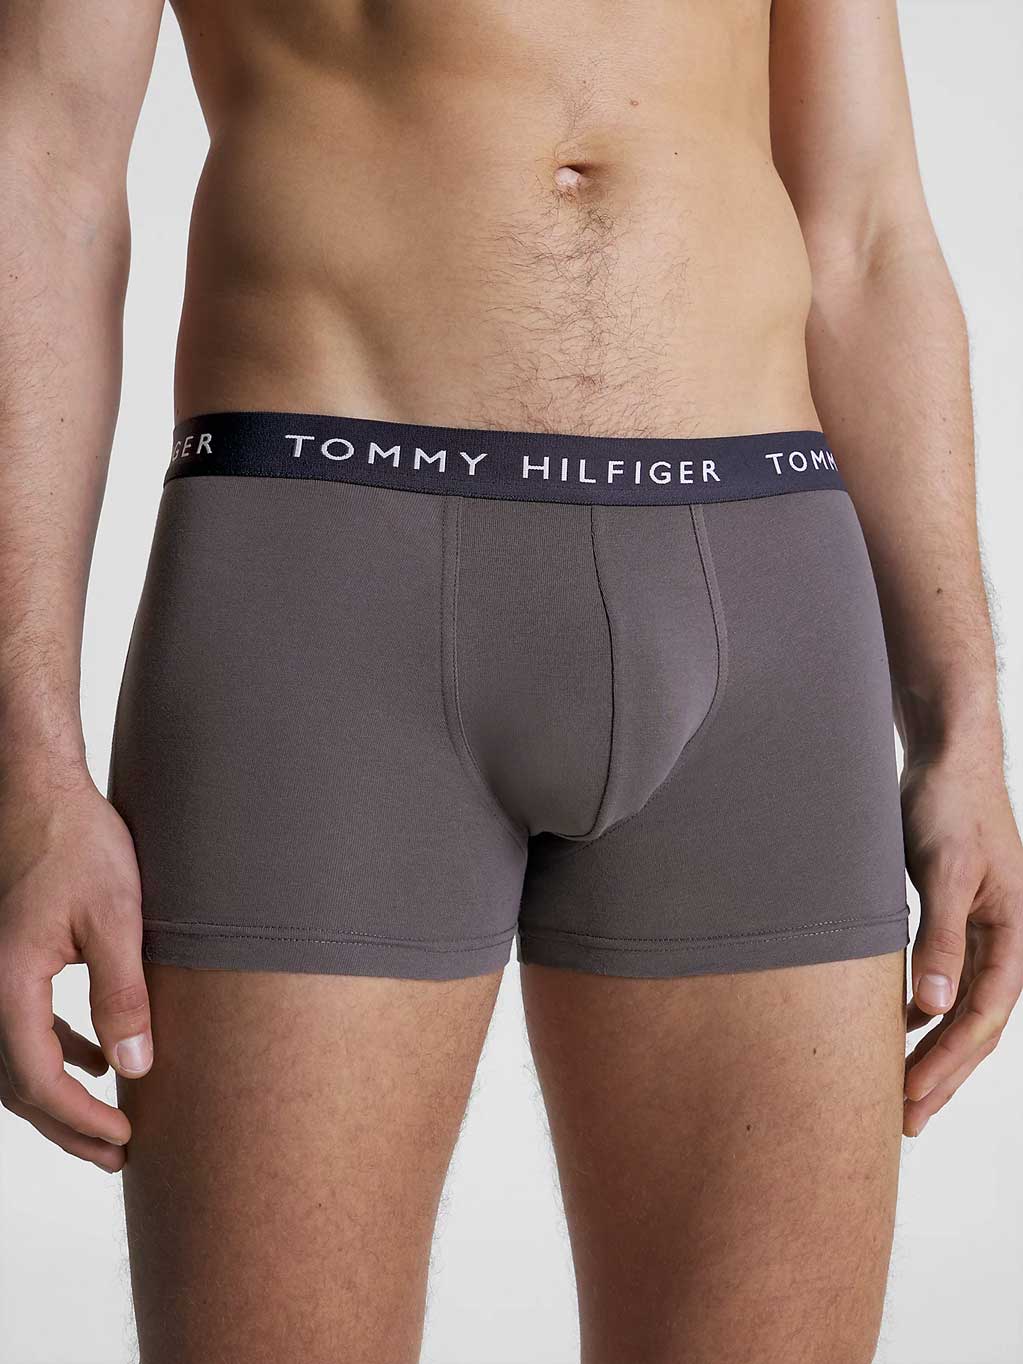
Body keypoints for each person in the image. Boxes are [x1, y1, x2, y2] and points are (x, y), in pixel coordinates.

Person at [1, 2, 1020, 1361]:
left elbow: (869, 227)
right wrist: (29, 768)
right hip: (327, 585)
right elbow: (42, 173)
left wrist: (963, 728)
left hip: (766, 594)